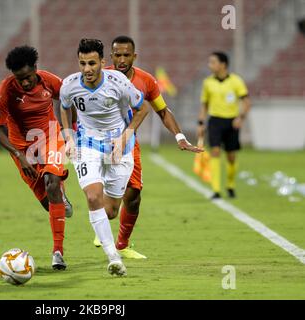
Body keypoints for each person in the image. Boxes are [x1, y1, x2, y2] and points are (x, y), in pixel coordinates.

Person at [98, 35, 202, 259]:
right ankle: (99, 229)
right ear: (111, 56)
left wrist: (180, 137)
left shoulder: (146, 81)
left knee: (134, 195)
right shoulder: (99, 76)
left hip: (128, 144)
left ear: (134, 56)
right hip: (98, 142)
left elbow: (163, 111)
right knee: (106, 203)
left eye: (127, 55)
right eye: (118, 55)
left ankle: (121, 245)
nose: (122, 59)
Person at [60, 38, 153, 276]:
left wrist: (125, 137)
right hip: (87, 145)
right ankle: (113, 258)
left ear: (102, 62)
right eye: (82, 63)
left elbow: (143, 108)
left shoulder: (118, 82)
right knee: (93, 197)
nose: (87, 69)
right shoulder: (70, 84)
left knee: (110, 211)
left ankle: (109, 242)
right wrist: (69, 136)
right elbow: (63, 105)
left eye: (92, 63)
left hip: (118, 148)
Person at [0, 45, 72, 270]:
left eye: (27, 77)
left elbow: (68, 99)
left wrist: (70, 130)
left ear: (35, 69)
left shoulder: (48, 81)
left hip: (51, 138)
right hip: (23, 149)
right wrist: (19, 156)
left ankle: (57, 252)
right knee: (50, 204)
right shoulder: (5, 91)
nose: (24, 83)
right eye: (19, 79)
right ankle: (60, 197)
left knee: (52, 183)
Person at [197, 51, 251, 200]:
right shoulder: (208, 82)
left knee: (231, 156)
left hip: (231, 121)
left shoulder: (236, 81)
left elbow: (246, 102)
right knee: (215, 152)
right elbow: (204, 104)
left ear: (223, 65)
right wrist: (201, 123)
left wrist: (241, 117)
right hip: (214, 121)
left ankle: (230, 185)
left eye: (213, 62)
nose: (210, 65)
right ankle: (216, 190)